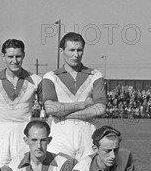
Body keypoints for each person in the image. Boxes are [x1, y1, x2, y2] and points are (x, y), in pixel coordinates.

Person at [42, 32, 107, 161]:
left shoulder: (95, 75)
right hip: (58, 138)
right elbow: (50, 109)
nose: (76, 55)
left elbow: (100, 109)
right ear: (62, 50)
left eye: (79, 50)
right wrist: (82, 105)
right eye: (71, 50)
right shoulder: (50, 77)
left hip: (87, 137)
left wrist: (62, 113)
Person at [0, 39, 42, 166]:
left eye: (18, 56)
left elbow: (48, 109)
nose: (14, 61)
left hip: (24, 131)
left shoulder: (36, 81)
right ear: (3, 56)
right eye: (10, 56)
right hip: (0, 132)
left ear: (24, 55)